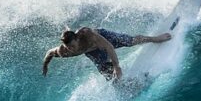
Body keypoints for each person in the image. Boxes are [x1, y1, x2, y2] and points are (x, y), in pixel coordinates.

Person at [41, 27, 172, 81]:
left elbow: (109, 47)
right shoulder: (64, 51)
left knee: (130, 41)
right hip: (92, 53)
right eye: (68, 47)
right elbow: (49, 53)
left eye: (72, 46)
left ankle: (155, 38)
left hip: (103, 38)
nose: (71, 49)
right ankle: (127, 85)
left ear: (77, 38)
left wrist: (117, 66)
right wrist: (45, 66)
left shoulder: (87, 34)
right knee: (109, 76)